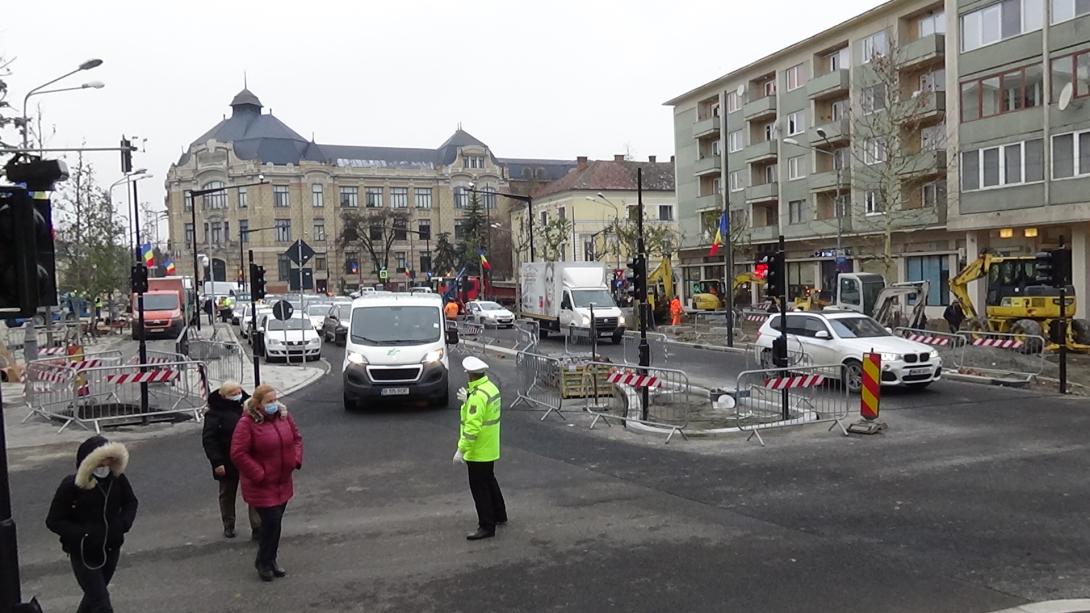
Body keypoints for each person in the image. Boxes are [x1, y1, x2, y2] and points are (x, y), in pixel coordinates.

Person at [46, 435, 139, 613]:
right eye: (100, 461)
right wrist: (83, 535)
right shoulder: (71, 486)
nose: (105, 466)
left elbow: (131, 502)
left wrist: (122, 525)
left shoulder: (117, 480)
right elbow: (54, 520)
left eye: (109, 461)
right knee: (101, 603)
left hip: (110, 549)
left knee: (93, 600)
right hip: (84, 554)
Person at [230, 384, 303, 582]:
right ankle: (263, 562)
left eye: (275, 400)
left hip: (282, 481)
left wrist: (295, 460)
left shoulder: (284, 417)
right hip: (262, 484)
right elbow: (238, 453)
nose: (274, 404)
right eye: (269, 401)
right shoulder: (247, 423)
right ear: (258, 404)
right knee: (270, 523)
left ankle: (271, 560)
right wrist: (259, 474)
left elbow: (296, 438)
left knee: (276, 524)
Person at [453, 356, 506, 541]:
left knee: (479, 488)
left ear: (470, 376)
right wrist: (468, 399)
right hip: (490, 447)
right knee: (489, 480)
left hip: (478, 450)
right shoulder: (490, 388)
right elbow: (486, 412)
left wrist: (461, 449)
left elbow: (472, 427)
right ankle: (500, 515)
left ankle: (486, 525)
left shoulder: (477, 396)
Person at [202, 380, 261, 540]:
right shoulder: (215, 414)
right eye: (233, 394)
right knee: (227, 493)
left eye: (238, 392)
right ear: (224, 396)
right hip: (227, 460)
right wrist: (217, 462)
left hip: (248, 458)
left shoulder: (248, 407)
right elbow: (209, 440)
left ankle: (257, 526)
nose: (238, 396)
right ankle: (228, 524)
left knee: (254, 493)